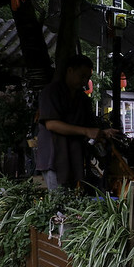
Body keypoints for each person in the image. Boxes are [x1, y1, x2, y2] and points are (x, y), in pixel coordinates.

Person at [36, 54, 119, 190]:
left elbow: (89, 128)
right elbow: (51, 124)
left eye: (88, 78)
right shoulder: (51, 92)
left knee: (72, 202)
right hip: (55, 155)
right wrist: (86, 131)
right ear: (70, 71)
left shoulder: (82, 98)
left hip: (74, 156)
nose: (85, 81)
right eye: (82, 76)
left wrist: (103, 133)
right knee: (59, 203)